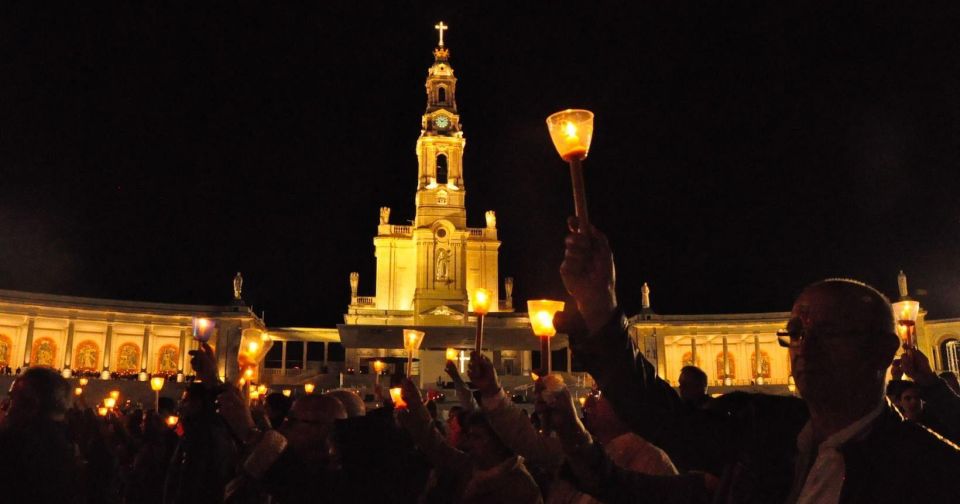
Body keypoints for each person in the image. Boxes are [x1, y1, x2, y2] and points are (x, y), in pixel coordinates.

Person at [554, 219, 960, 503]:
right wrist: (599, 305)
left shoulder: (931, 471)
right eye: (797, 333)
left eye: (830, 333)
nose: (806, 347)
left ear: (884, 351)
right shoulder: (764, 434)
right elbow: (662, 418)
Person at [396, 378, 543, 504]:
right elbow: (437, 447)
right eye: (470, 436)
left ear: (498, 440)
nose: (469, 443)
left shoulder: (520, 486)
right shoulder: (470, 465)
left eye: (477, 437)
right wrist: (417, 409)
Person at [0, 367, 81, 504]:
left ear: (30, 404)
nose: (7, 409)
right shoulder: (73, 448)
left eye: (13, 399)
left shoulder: (13, 445)